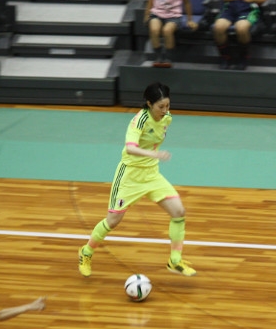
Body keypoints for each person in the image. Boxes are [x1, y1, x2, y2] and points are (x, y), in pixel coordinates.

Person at [78, 82, 196, 278]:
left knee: (178, 211)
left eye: (168, 105)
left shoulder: (167, 119)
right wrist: (155, 155)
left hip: (151, 174)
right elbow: (131, 147)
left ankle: (174, 260)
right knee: (113, 221)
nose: (165, 110)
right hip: (130, 175)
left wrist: (153, 158)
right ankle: (86, 252)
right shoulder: (139, 121)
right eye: (160, 107)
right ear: (149, 104)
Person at [213, 0, 271, 71]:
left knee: (241, 28)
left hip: (249, 7)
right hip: (231, 6)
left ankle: (243, 57)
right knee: (218, 27)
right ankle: (225, 57)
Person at [144, 0, 197, 68]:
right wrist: (147, 14)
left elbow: (187, 3)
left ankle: (168, 57)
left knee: (167, 31)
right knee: (154, 29)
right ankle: (159, 56)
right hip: (157, 13)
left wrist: (190, 20)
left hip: (174, 16)